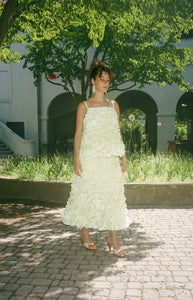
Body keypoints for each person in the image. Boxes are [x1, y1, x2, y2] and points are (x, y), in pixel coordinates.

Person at [62, 59, 130, 258]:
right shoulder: (84, 106)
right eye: (102, 79)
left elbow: (117, 133)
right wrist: (76, 159)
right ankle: (85, 233)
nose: (106, 83)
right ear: (93, 81)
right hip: (89, 158)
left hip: (109, 160)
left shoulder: (114, 105)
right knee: (87, 193)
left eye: (108, 80)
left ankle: (113, 238)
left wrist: (123, 157)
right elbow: (78, 134)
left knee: (113, 196)